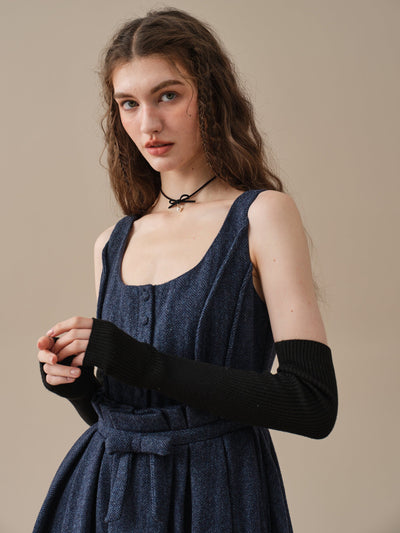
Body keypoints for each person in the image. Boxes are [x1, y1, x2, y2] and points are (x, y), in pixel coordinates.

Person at [34, 8, 338, 532]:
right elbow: (135, 417)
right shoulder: (111, 243)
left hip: (218, 497)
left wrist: (140, 362)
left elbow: (311, 403)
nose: (148, 124)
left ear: (211, 96)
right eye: (129, 103)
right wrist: (79, 386)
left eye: (168, 95)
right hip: (103, 495)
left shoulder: (262, 216)